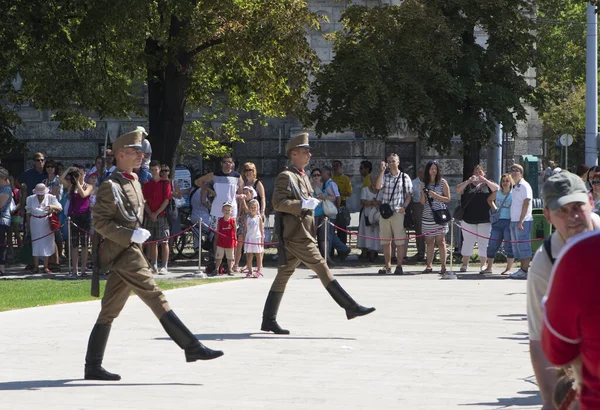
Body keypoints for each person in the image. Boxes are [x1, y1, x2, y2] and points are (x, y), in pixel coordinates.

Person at [83, 128, 223, 382]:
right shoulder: (110, 186)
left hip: (129, 251)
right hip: (123, 252)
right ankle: (191, 346)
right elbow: (100, 223)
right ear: (121, 154)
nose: (141, 156)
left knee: (108, 311)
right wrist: (129, 236)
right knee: (155, 295)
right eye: (136, 152)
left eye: (141, 152)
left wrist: (138, 232)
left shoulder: (134, 181)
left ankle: (92, 365)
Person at [260, 133, 375, 335]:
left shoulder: (302, 176)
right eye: (305, 152)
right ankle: (350, 306)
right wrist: (302, 204)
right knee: (322, 267)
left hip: (303, 231)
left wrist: (309, 203)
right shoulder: (286, 177)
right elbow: (278, 203)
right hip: (296, 235)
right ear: (294, 154)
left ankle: (268, 319)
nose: (309, 155)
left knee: (284, 274)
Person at [536, 172, 600, 409]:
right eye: (562, 210)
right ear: (548, 215)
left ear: (591, 202)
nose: (572, 217)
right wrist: (547, 401)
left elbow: (557, 350)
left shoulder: (576, 257)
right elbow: (538, 338)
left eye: (577, 207)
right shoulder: (546, 263)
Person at [195, 154, 243, 252]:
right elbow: (198, 181)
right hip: (217, 209)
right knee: (216, 234)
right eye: (225, 162)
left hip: (232, 209)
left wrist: (241, 211)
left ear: (232, 164)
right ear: (221, 164)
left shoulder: (237, 176)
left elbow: (240, 194)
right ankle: (217, 259)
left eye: (229, 162)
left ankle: (231, 260)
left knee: (232, 234)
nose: (227, 164)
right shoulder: (214, 175)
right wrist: (210, 191)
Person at [455, 165, 499, 273]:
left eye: (480, 172)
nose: (478, 174)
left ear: (484, 174)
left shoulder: (487, 185)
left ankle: (483, 265)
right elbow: (457, 190)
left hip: (484, 219)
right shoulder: (468, 185)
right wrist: (468, 182)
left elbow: (497, 190)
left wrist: (485, 181)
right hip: (468, 219)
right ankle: (465, 264)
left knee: (483, 242)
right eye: (476, 172)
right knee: (468, 242)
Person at [375, 153, 412, 275]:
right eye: (389, 161)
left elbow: (409, 195)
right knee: (386, 241)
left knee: (399, 241)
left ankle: (399, 265)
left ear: (398, 162)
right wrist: (381, 171)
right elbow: (378, 186)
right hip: (386, 212)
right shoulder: (385, 176)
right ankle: (387, 265)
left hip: (397, 212)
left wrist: (404, 207)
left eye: (393, 161)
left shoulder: (404, 177)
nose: (391, 163)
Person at [420, 161, 452, 277]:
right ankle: (429, 265)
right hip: (428, 215)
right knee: (429, 242)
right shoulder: (424, 183)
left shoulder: (442, 182)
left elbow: (448, 198)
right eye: (431, 169)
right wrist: (423, 193)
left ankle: (443, 266)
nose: (433, 171)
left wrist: (435, 195)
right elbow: (422, 202)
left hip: (439, 215)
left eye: (435, 169)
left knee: (441, 241)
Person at [61, 164, 94, 278]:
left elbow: (83, 194)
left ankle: (83, 270)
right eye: (77, 174)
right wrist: (69, 169)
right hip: (74, 217)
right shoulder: (71, 186)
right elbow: (61, 180)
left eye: (81, 174)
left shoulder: (89, 186)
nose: (79, 176)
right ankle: (75, 270)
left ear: (85, 173)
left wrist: (78, 183)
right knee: (74, 245)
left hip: (84, 217)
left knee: (85, 245)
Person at [142, 160, 171, 274]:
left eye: (156, 170)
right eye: (152, 170)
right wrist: (150, 213)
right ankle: (153, 264)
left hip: (162, 215)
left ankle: (164, 265)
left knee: (164, 241)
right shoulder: (147, 184)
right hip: (150, 215)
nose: (154, 172)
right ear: (150, 170)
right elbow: (144, 201)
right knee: (152, 241)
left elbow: (166, 200)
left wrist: (157, 213)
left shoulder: (165, 183)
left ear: (159, 170)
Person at [26, 183, 62, 274]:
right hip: (34, 221)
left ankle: (46, 266)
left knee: (47, 243)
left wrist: (52, 206)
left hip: (46, 221)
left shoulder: (50, 197)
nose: (41, 196)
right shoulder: (30, 199)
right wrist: (28, 226)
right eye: (39, 195)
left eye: (42, 194)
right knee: (36, 243)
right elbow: (28, 213)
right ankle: (36, 266)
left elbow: (60, 208)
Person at [482, 173, 514, 275]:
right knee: (492, 244)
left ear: (511, 182)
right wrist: (495, 208)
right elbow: (489, 200)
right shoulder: (498, 192)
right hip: (497, 221)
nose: (505, 183)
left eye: (507, 181)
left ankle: (508, 268)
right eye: (503, 181)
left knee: (508, 245)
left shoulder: (514, 194)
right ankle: (489, 267)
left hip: (509, 221)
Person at [508, 164, 533, 279]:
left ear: (521, 173)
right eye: (512, 171)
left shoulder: (524, 185)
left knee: (523, 245)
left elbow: (526, 202)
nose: (513, 173)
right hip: (514, 220)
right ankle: (522, 268)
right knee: (517, 247)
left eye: (516, 171)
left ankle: (524, 270)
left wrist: (521, 220)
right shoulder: (515, 186)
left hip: (522, 221)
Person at [44, 159, 64, 269]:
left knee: (57, 235)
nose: (50, 168)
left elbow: (53, 195)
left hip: (57, 210)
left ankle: (57, 259)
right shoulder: (44, 181)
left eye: (52, 167)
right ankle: (51, 260)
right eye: (48, 166)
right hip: (48, 211)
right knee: (50, 236)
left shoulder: (57, 180)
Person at [358, 174, 382, 262]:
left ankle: (373, 253)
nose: (374, 182)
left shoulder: (381, 191)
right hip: (367, 214)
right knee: (366, 232)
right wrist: (372, 203)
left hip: (377, 215)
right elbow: (362, 201)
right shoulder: (365, 189)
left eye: (376, 180)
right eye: (372, 180)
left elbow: (382, 201)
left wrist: (377, 203)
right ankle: (365, 252)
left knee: (376, 233)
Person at [232, 185, 256, 272]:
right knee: (239, 245)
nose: (245, 195)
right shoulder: (242, 202)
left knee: (249, 247)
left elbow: (248, 212)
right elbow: (242, 213)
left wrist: (243, 202)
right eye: (244, 193)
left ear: (251, 193)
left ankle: (248, 264)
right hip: (243, 226)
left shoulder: (253, 202)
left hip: (251, 227)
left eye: (247, 193)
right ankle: (236, 264)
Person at [331, 160, 352, 249]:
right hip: (331, 203)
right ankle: (330, 250)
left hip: (342, 204)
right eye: (334, 166)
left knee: (341, 228)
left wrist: (339, 193)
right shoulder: (330, 178)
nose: (335, 167)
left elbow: (349, 193)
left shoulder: (345, 179)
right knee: (331, 228)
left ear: (340, 167)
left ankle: (343, 249)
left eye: (337, 166)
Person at [213, 201, 236, 276]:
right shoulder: (220, 221)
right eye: (225, 210)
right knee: (219, 256)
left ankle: (230, 269)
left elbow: (235, 231)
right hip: (221, 242)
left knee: (230, 257)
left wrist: (235, 241)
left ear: (231, 211)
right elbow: (217, 231)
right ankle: (216, 269)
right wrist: (216, 241)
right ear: (222, 211)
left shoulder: (233, 221)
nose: (227, 212)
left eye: (229, 210)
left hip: (230, 242)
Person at [243, 199, 264, 278]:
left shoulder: (259, 218)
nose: (253, 209)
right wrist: (244, 239)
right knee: (249, 255)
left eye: (254, 207)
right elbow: (245, 229)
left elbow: (261, 230)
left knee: (258, 255)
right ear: (249, 208)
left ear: (257, 208)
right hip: (249, 238)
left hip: (257, 238)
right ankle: (250, 270)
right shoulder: (247, 218)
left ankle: (259, 270)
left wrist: (262, 240)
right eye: (251, 207)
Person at [409, 165, 425, 262]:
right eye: (423, 172)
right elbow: (410, 196)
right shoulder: (413, 183)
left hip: (428, 206)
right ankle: (420, 253)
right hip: (417, 206)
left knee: (431, 230)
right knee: (419, 230)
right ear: (419, 173)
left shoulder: (430, 182)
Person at [0, 168, 13, 276]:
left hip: (2, 220)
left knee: (1, 244)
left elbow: (0, 205)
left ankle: (2, 268)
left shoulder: (6, 189)